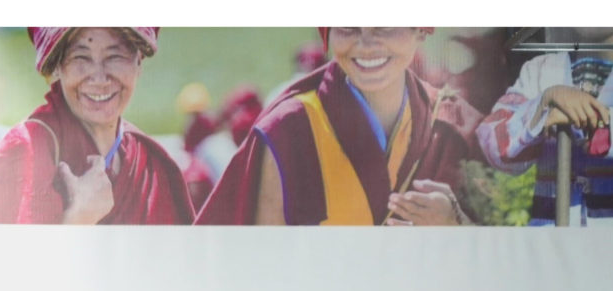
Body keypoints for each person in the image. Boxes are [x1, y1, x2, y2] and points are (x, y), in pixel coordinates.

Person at [195, 27, 477, 225]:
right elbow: (265, 269)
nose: (366, 43)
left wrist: (456, 225)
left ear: (421, 29)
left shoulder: (456, 123)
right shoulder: (290, 129)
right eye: (347, 25)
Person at [0, 27, 190, 225]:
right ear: (57, 67)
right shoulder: (26, 149)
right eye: (80, 57)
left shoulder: (153, 165)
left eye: (115, 56)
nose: (99, 78)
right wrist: (79, 218)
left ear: (139, 62)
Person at [476, 28, 613, 226]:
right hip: (556, 249)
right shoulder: (539, 72)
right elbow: (494, 143)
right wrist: (543, 104)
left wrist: (602, 124)